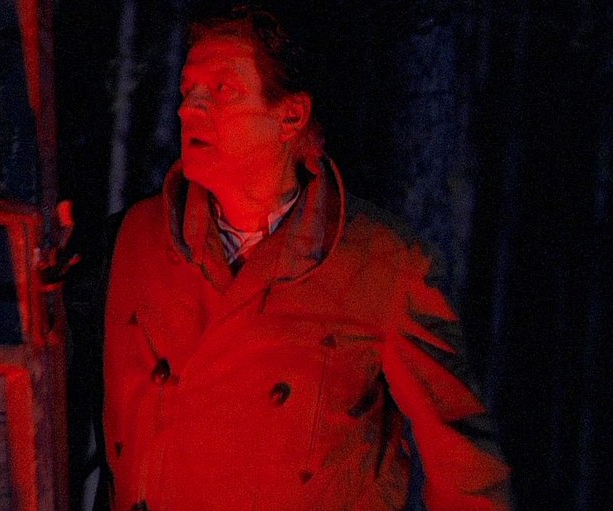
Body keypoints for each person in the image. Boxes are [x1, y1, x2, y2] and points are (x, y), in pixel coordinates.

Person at [103, 5, 512, 510]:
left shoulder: (383, 263)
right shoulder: (137, 237)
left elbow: (466, 467)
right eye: (189, 90)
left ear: (291, 117)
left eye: (223, 90)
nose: (190, 108)